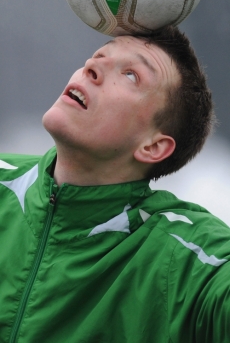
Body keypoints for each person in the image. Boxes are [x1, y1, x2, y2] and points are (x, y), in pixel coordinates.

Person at [0, 26, 229, 343]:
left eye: (132, 75)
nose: (91, 68)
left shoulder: (190, 258)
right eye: (98, 56)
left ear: (153, 146)